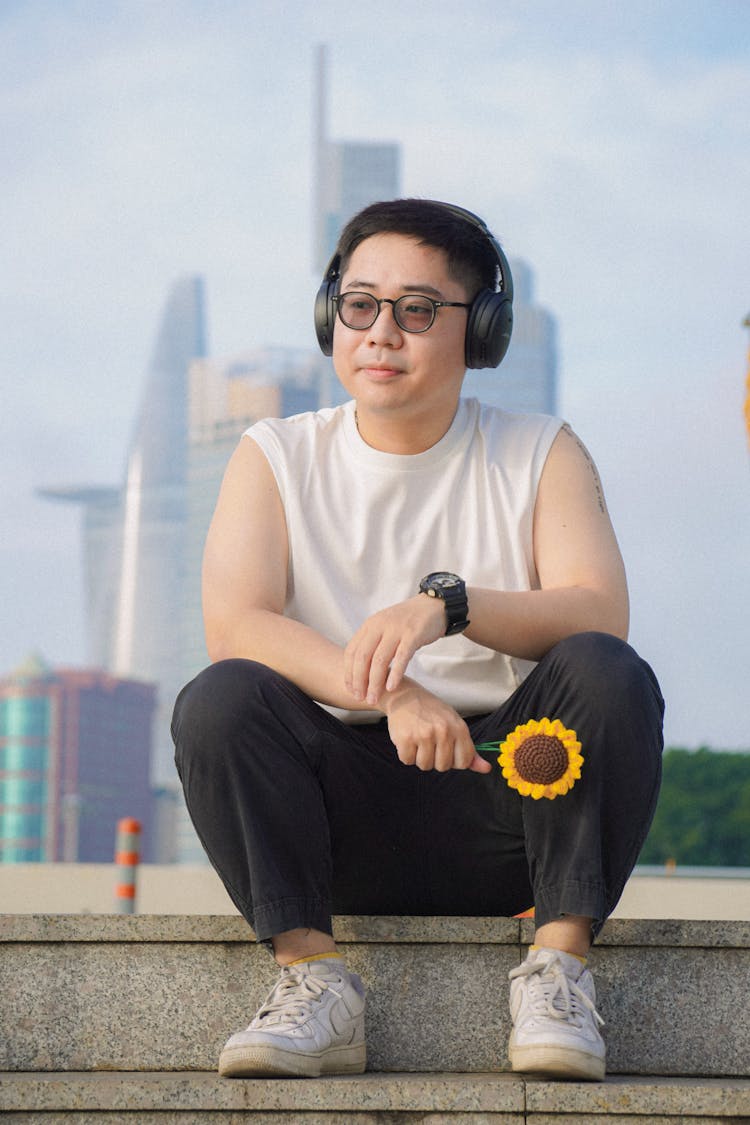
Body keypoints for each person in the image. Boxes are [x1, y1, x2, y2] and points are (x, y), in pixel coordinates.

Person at [171, 198, 664, 1083]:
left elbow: (599, 609)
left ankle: (558, 971)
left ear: (480, 330)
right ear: (331, 317)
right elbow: (235, 622)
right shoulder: (275, 454)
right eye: (359, 305)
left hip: (511, 795)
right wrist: (389, 691)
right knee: (222, 696)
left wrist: (450, 606)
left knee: (606, 669)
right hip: (337, 816)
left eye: (418, 310)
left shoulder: (539, 449)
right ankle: (313, 981)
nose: (381, 333)